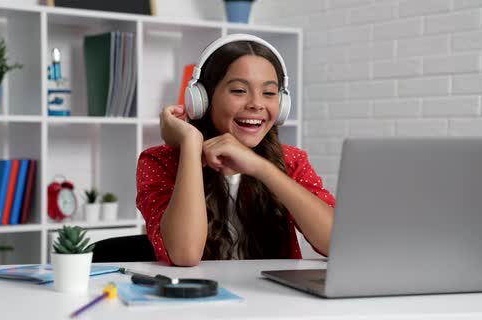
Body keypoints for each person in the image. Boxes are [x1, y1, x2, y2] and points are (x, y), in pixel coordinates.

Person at [136, 34, 335, 266]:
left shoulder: (292, 160)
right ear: (203, 99)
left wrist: (261, 167)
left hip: (275, 299)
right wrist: (190, 142)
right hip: (195, 298)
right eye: (239, 90)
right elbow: (185, 254)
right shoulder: (158, 161)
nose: (256, 104)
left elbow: (337, 243)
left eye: (269, 93)